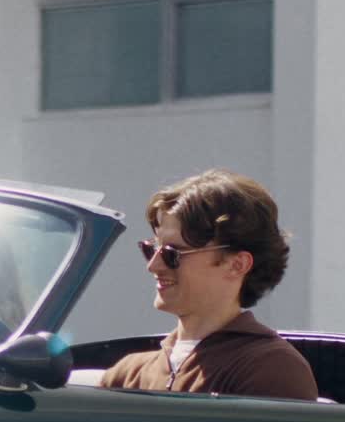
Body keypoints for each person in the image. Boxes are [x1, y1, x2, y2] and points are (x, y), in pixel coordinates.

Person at [101, 169, 318, 399]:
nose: (154, 265)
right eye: (152, 249)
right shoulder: (128, 373)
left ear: (237, 265)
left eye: (172, 253)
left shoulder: (273, 369)